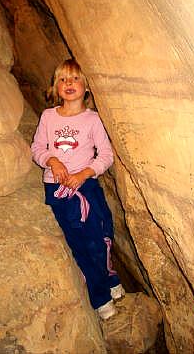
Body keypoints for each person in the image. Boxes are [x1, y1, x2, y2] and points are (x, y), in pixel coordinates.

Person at [31, 58, 125, 320]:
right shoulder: (48, 117)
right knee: (83, 241)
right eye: (62, 79)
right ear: (55, 87)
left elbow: (106, 154)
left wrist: (85, 173)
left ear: (86, 87)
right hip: (60, 190)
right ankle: (100, 297)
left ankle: (109, 275)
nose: (68, 83)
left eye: (74, 79)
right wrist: (52, 160)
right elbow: (37, 148)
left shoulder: (92, 120)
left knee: (104, 230)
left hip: (87, 184)